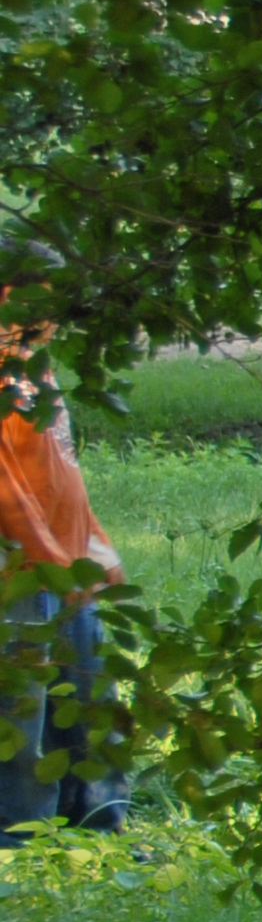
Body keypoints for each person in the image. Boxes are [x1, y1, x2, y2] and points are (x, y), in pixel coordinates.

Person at [0, 329, 127, 838]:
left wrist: (95, 544)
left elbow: (61, 468)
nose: (46, 315)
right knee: (21, 711)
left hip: (68, 565)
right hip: (24, 573)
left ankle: (100, 824)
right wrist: (49, 560)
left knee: (92, 697)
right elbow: (6, 488)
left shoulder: (34, 367)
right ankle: (20, 835)